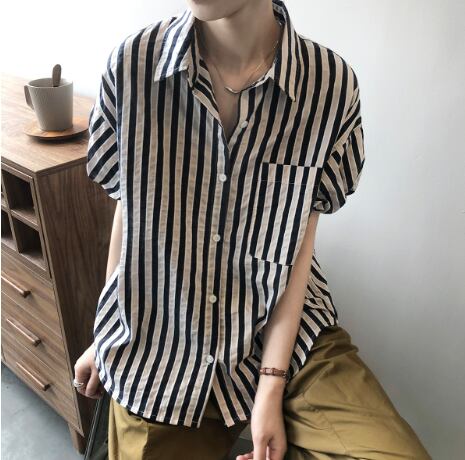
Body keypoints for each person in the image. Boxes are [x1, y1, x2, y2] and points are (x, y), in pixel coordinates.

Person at [74, 0, 432, 458]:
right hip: (161, 343)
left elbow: (299, 246)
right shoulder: (133, 67)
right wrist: (107, 336)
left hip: (285, 332)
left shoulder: (329, 86)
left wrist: (271, 384)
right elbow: (129, 214)